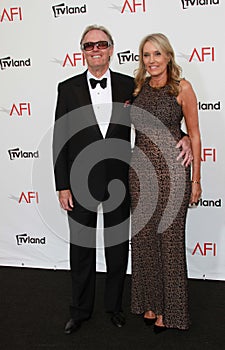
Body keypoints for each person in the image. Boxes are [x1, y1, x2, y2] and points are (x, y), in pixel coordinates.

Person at [53, 25, 192, 335]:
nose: (95, 49)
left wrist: (182, 137)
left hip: (121, 177)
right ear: (83, 51)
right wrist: (62, 185)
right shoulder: (67, 87)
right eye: (89, 45)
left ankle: (114, 307)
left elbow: (159, 117)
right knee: (82, 249)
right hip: (79, 180)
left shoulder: (132, 85)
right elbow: (60, 139)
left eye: (101, 44)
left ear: (111, 49)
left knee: (117, 249)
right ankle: (80, 310)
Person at [129, 33, 202, 333]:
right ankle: (150, 303)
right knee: (144, 240)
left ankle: (170, 313)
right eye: (146, 55)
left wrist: (196, 179)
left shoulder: (182, 88)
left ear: (169, 56)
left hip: (172, 172)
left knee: (169, 242)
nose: (152, 60)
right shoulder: (138, 88)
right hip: (139, 173)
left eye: (157, 54)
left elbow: (194, 134)